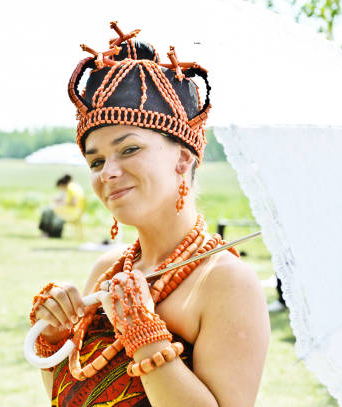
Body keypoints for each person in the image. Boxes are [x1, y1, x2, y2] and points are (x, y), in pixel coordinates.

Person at [29, 23, 270, 407]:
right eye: (95, 160)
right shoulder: (108, 269)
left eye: (128, 150)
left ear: (182, 158)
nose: (107, 171)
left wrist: (143, 331)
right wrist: (55, 337)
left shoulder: (226, 282)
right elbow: (71, 396)